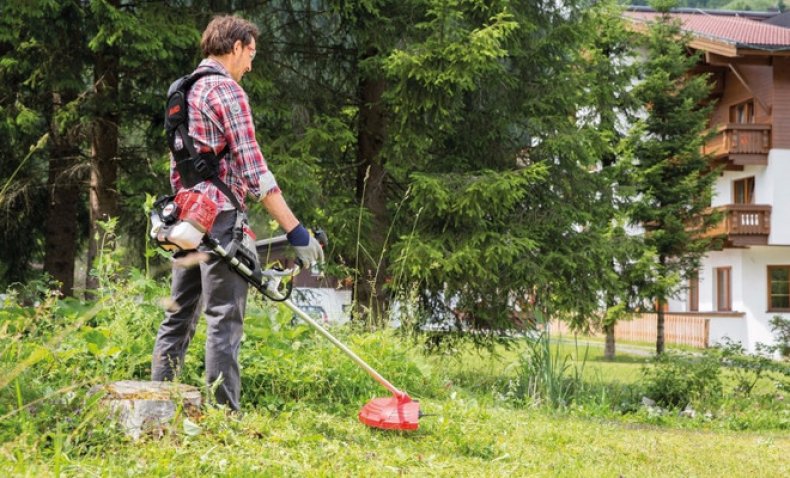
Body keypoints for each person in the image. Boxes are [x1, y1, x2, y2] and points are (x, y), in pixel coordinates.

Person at [151, 15, 323, 411]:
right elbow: (254, 169)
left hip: (189, 221)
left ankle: (156, 404)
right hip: (222, 220)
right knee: (224, 320)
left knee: (179, 315)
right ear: (237, 46)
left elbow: (180, 164)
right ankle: (225, 417)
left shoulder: (183, 90)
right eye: (251, 54)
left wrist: (189, 214)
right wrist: (294, 230)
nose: (251, 64)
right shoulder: (227, 91)